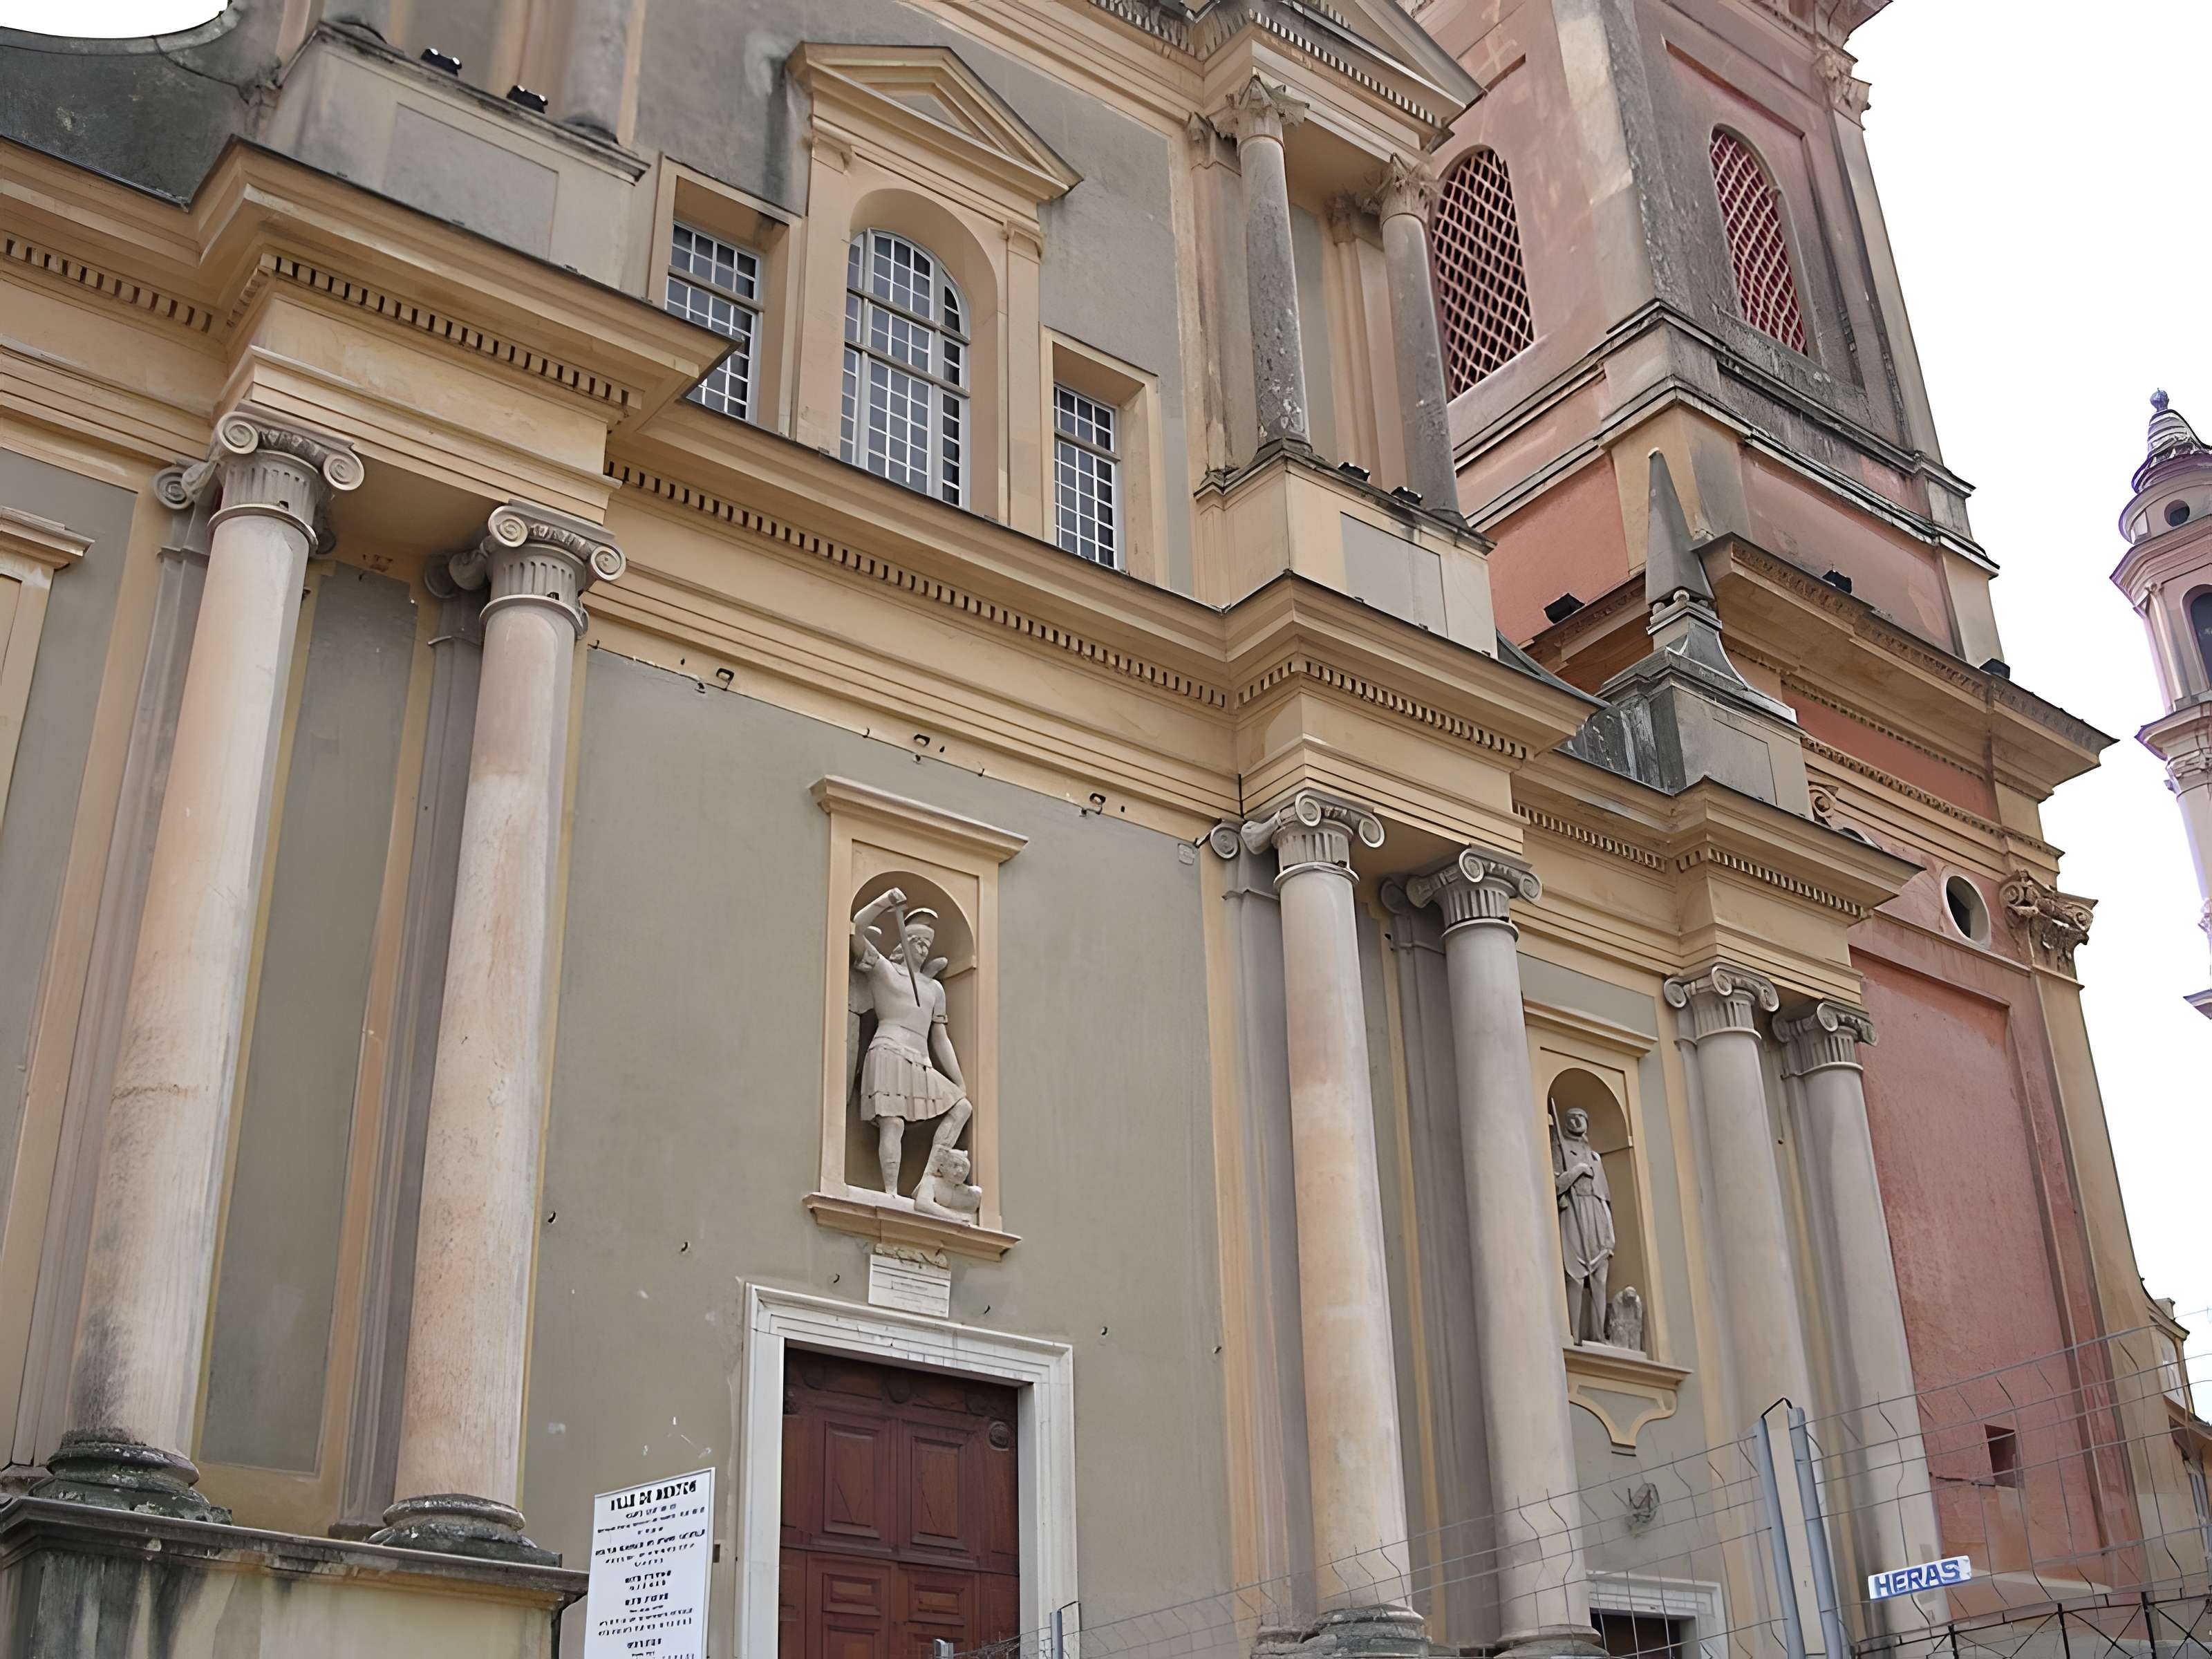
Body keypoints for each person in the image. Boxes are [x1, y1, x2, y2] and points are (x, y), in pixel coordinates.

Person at [850, 887, 972, 1199]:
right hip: (888, 1050)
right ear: (902, 946)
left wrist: (959, 1083)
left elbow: (940, 1038)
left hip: (921, 1060)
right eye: (916, 942)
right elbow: (856, 929)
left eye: (926, 945)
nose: (921, 949)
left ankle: (927, 1181)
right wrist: (884, 901)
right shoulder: (884, 971)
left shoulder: (934, 989)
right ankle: (891, 1193)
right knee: (894, 1124)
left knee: (962, 1107)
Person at [1554, 1104, 1615, 1344]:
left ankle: (1599, 1336)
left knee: (1600, 1276)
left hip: (1596, 1214)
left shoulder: (1594, 1155)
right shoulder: (1559, 1147)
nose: (1577, 1121)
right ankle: (1575, 1336)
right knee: (1575, 1275)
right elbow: (1557, 1184)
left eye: (1581, 1116)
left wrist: (1609, 1228)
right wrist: (1577, 1170)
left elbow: (1604, 1196)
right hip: (1573, 1210)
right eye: (1572, 1117)